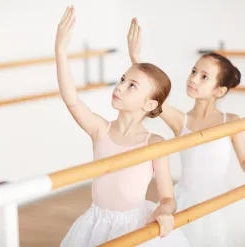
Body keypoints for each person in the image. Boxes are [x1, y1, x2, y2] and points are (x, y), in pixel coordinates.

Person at [56, 6, 190, 247]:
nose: (119, 87)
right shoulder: (100, 130)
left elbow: (167, 197)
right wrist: (61, 50)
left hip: (135, 225)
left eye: (131, 86)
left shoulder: (155, 143)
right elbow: (71, 100)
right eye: (122, 80)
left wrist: (164, 211)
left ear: (149, 104)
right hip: (96, 223)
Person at [127, 17, 245, 247]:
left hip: (218, 203)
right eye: (193, 71)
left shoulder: (231, 122)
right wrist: (135, 57)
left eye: (204, 77)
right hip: (184, 199)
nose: (193, 79)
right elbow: (154, 94)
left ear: (219, 91)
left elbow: (244, 160)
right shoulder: (181, 121)